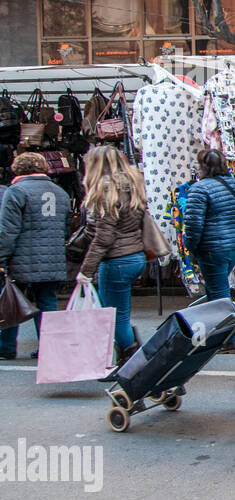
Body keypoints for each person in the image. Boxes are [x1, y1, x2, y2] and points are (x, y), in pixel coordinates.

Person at [78, 145, 148, 365]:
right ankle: (128, 356)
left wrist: (85, 271)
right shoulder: (132, 184)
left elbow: (104, 237)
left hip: (117, 260)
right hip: (135, 255)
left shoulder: (106, 189)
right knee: (121, 313)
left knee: (114, 315)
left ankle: (132, 361)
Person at [0, 152, 71, 360]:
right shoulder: (61, 193)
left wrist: (1, 259)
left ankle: (6, 347)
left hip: (22, 258)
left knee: (10, 301)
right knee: (47, 302)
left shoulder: (16, 192)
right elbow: (64, 229)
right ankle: (49, 348)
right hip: (53, 258)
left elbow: (8, 230)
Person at [183, 148, 235, 353]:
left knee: (219, 294)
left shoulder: (200, 189)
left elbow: (193, 225)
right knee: (216, 291)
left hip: (211, 248)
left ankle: (229, 338)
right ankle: (217, 334)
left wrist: (190, 249)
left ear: (203, 167)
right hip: (234, 246)